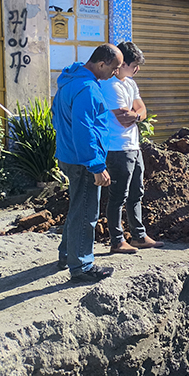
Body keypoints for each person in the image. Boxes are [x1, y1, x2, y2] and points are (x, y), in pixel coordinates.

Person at [52, 43, 123, 282]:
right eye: (114, 68)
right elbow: (84, 130)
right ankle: (81, 266)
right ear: (101, 64)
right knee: (85, 213)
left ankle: (67, 254)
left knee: (77, 208)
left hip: (69, 155)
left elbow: (56, 117)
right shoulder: (87, 89)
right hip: (82, 160)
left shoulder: (70, 81)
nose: (116, 73)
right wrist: (96, 165)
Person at [101, 41, 162, 254]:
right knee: (118, 195)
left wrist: (135, 115)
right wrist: (135, 116)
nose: (137, 70)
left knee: (137, 192)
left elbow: (141, 110)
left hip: (134, 146)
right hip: (117, 147)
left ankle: (139, 236)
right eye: (134, 65)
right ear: (122, 64)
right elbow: (123, 119)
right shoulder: (110, 86)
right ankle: (117, 241)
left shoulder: (130, 84)